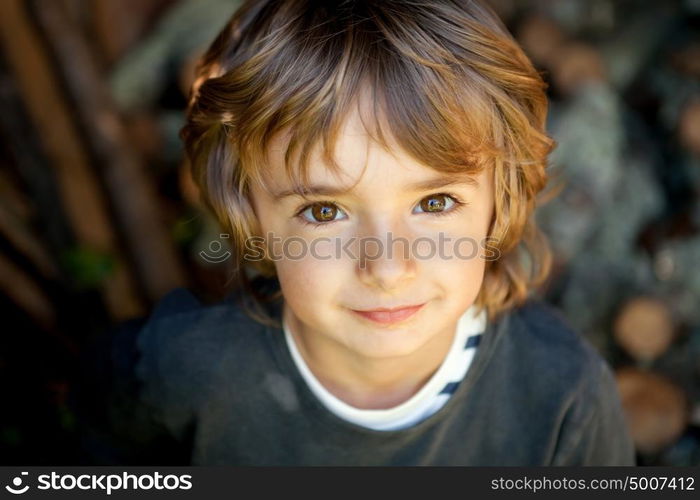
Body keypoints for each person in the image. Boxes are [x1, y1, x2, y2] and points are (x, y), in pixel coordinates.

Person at [75, 0, 636, 465]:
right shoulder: (178, 372)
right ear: (250, 214)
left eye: (436, 202)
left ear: (500, 200)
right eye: (324, 212)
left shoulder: (564, 398)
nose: (388, 269)